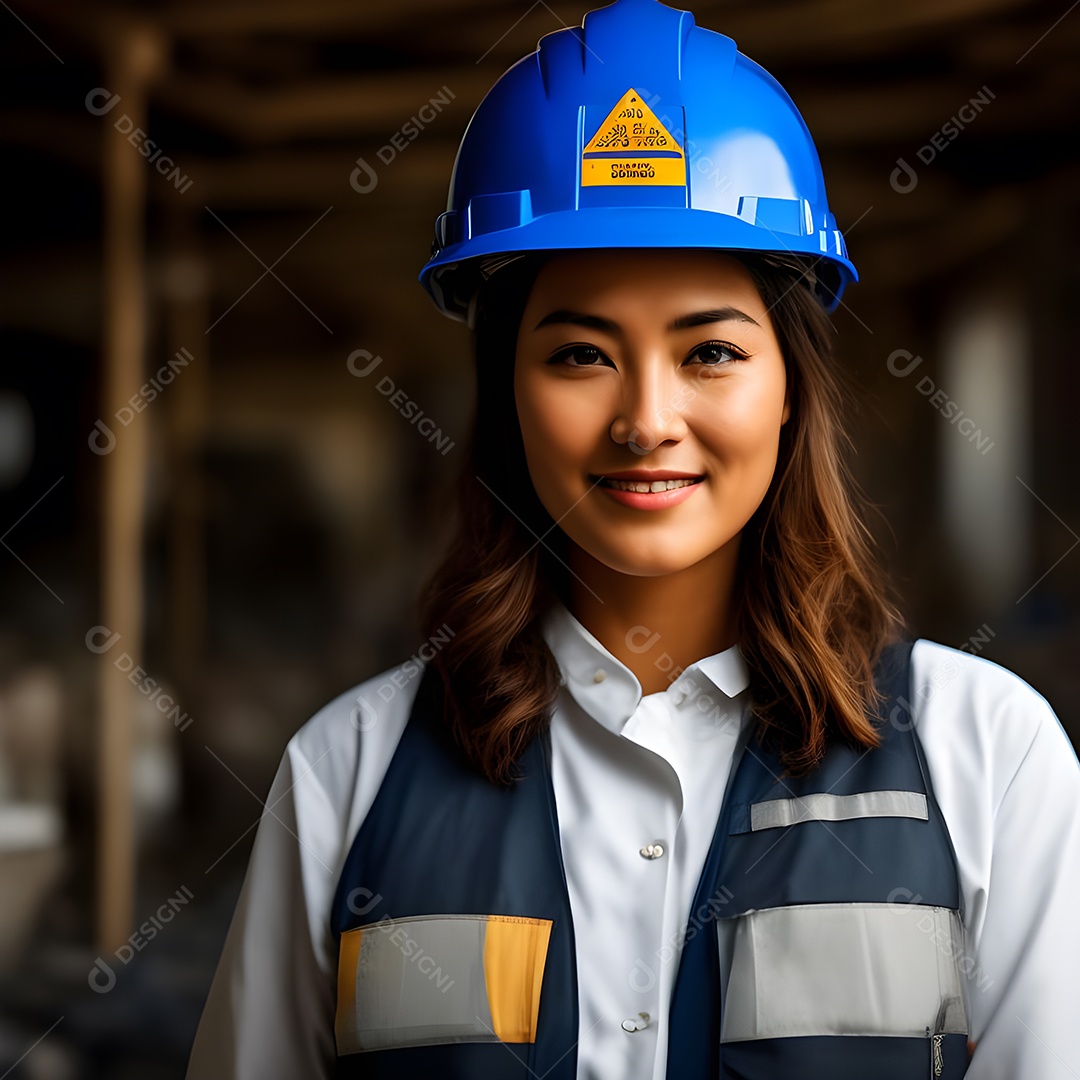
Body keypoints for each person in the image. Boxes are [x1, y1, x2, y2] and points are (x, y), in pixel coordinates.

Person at [184, 1, 1080, 1077]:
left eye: (710, 352)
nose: (647, 418)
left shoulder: (989, 757)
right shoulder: (348, 773)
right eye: (579, 355)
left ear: (791, 389)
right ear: (506, 395)